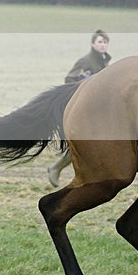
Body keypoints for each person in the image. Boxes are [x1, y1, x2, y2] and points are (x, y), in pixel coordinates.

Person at [47, 29, 111, 187]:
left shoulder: (104, 60)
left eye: (104, 42)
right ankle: (57, 168)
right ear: (92, 44)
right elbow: (69, 78)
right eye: (99, 42)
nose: (102, 45)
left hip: (99, 107)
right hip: (86, 107)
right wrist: (86, 82)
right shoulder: (86, 60)